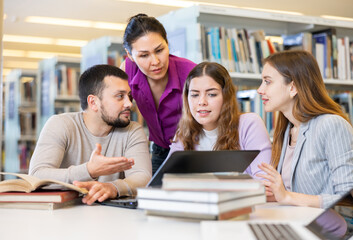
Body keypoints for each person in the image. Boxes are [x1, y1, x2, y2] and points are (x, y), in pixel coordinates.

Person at [29, 64, 152, 205]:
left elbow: (143, 177)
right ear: (93, 102)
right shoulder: (60, 124)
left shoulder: (133, 130)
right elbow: (36, 175)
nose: (129, 103)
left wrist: (113, 188)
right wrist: (89, 170)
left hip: (112, 216)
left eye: (129, 96)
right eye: (120, 96)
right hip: (64, 213)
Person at [256, 50, 353, 208]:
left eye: (268, 82)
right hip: (294, 220)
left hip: (324, 228)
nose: (260, 90)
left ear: (293, 87)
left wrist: (287, 197)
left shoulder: (331, 125)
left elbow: (348, 201)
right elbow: (292, 192)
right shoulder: (288, 130)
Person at [167, 62, 272, 179]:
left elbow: (264, 182)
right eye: (194, 95)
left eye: (211, 94)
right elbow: (165, 180)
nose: (202, 102)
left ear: (226, 97)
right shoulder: (183, 133)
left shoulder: (249, 124)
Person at [121, 13, 197, 175]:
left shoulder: (191, 73)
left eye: (159, 50)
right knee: (152, 196)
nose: (155, 61)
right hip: (159, 151)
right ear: (130, 56)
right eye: (144, 55)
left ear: (167, 43)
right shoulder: (127, 70)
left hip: (195, 149)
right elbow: (114, 110)